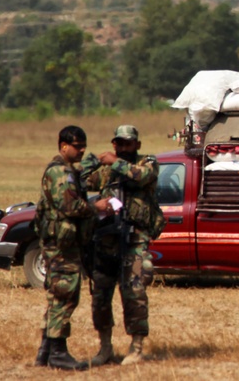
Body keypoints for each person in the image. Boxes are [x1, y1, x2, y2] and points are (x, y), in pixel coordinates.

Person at [80, 125, 164, 367]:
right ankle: (105, 346)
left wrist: (114, 160)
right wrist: (95, 160)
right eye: (119, 143)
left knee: (134, 292)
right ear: (114, 143)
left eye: (129, 143)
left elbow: (142, 177)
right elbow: (78, 182)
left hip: (134, 239)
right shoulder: (106, 170)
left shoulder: (147, 162)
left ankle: (137, 346)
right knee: (100, 294)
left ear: (137, 145)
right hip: (106, 240)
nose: (124, 147)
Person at [34, 125, 112, 370]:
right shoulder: (59, 173)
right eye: (77, 146)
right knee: (66, 296)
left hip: (64, 245)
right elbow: (69, 206)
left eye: (83, 146)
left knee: (58, 295)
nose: (81, 150)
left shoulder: (70, 171)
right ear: (63, 146)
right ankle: (58, 353)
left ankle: (46, 351)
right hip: (60, 247)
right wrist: (96, 207)